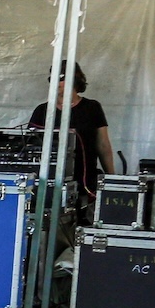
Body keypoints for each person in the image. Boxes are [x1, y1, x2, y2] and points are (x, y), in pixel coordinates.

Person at [28, 63, 113, 203]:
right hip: (49, 184)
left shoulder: (92, 108)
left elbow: (103, 146)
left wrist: (111, 179)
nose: (56, 82)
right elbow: (29, 148)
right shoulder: (42, 111)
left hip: (85, 183)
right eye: (53, 78)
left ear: (75, 80)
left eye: (61, 78)